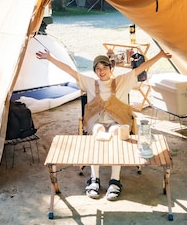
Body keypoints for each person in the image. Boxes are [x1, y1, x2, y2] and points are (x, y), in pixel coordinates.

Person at [35, 47, 172, 201]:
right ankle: (94, 179)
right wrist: (49, 57)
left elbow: (140, 68)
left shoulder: (121, 81)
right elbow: (70, 71)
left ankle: (115, 181)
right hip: (96, 122)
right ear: (94, 71)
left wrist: (159, 55)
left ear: (111, 68)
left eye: (105, 67)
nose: (101, 71)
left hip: (117, 122)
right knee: (99, 131)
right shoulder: (91, 83)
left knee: (116, 133)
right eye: (98, 69)